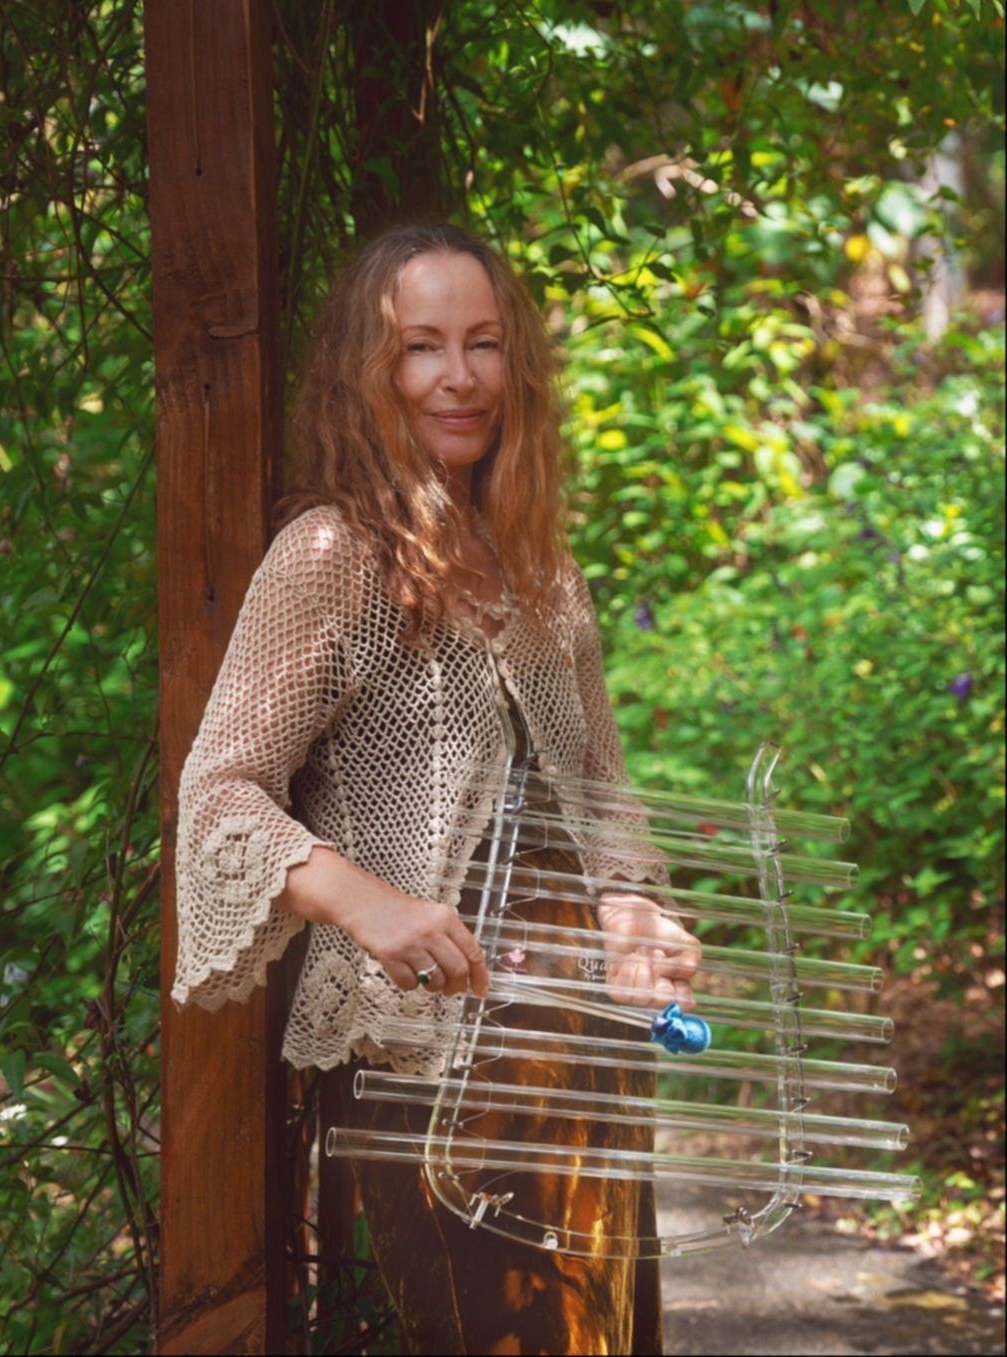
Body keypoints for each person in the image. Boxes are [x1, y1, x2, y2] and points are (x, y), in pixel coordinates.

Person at [171, 223, 701, 1354]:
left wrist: (633, 907)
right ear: (368, 373)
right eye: (421, 347)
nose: (459, 377)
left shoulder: (540, 568)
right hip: (429, 1054)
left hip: (581, 1047)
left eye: (484, 343)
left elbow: (600, 786)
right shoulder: (331, 559)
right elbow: (220, 793)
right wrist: (364, 900)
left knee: (611, 1339)